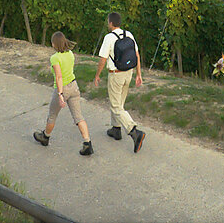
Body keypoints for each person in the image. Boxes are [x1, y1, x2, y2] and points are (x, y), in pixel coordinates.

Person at [93, 11, 146, 152]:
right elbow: (136, 55)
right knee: (119, 103)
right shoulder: (129, 34)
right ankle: (116, 129)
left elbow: (103, 59)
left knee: (116, 106)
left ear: (110, 23)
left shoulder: (109, 38)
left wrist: (97, 75)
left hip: (116, 75)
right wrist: (139, 74)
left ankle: (134, 131)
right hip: (129, 73)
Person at [34, 31, 93, 156]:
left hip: (63, 89)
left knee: (52, 115)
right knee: (78, 117)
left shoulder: (55, 58)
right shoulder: (70, 54)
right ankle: (87, 143)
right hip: (74, 86)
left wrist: (60, 94)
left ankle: (45, 137)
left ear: (54, 44)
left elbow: (59, 77)